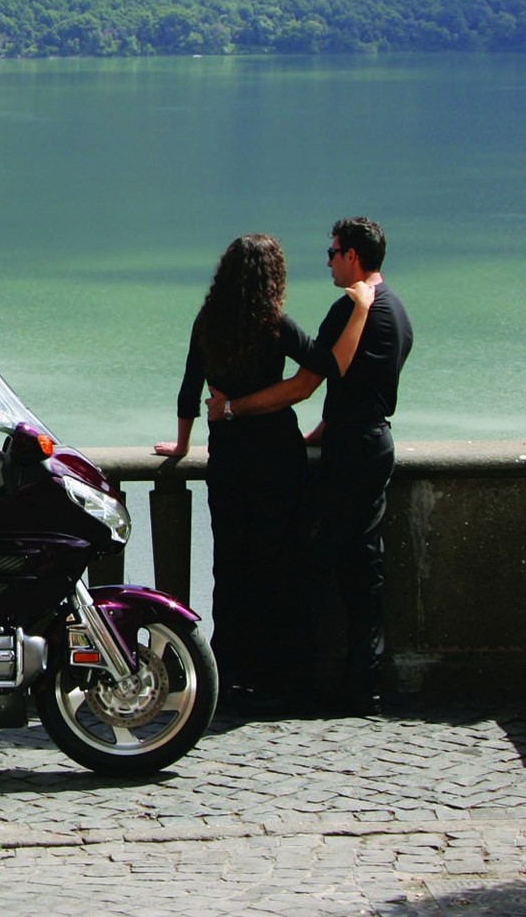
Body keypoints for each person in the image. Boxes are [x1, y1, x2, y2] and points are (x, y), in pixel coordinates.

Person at [155, 234, 373, 709]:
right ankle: (280, 675)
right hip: (277, 456)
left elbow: (189, 388)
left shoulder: (208, 321)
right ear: (272, 278)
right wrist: (360, 309)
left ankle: (227, 672)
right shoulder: (275, 323)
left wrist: (183, 444)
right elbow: (328, 368)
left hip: (228, 459)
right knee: (279, 564)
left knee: (230, 566)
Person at [212, 217, 414, 715]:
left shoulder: (354, 309)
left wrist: (236, 408)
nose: (326, 260)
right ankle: (363, 685)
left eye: (332, 251)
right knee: (362, 567)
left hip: (349, 454)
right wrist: (322, 431)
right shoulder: (400, 311)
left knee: (304, 562)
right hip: (372, 441)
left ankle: (291, 683)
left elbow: (313, 380)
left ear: (353, 257)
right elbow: (362, 390)